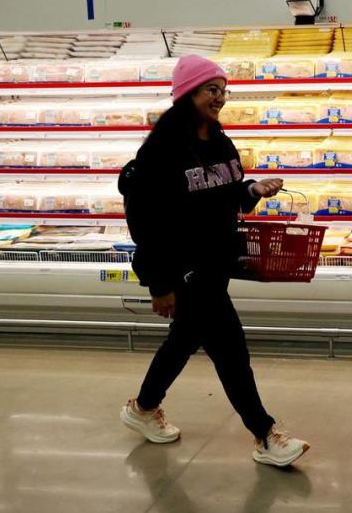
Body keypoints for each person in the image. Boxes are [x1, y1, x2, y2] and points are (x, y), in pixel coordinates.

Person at [118, 55, 309, 467]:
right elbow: (144, 222)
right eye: (211, 90)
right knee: (230, 348)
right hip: (186, 270)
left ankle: (143, 408)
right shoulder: (162, 150)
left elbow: (225, 193)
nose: (220, 98)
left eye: (223, 90)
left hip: (216, 263)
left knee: (183, 340)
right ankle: (265, 435)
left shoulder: (220, 140)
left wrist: (253, 189)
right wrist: (160, 284)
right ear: (188, 93)